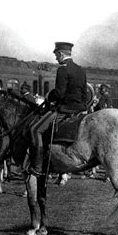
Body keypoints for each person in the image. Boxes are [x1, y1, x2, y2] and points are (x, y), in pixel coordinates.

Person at [28, 42, 87, 176]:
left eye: (56, 55)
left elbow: (59, 93)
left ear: (60, 54)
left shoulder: (63, 69)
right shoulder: (81, 70)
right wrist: (82, 108)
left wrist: (49, 96)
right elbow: (84, 93)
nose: (56, 59)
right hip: (79, 110)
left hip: (65, 109)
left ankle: (37, 166)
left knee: (35, 129)